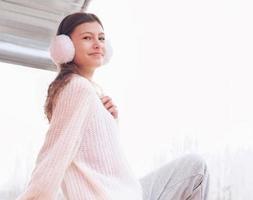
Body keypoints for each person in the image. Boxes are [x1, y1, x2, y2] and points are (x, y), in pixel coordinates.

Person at [16, 12, 209, 200]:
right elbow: (54, 156)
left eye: (101, 38)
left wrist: (110, 121)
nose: (97, 44)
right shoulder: (77, 88)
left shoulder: (88, 93)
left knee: (194, 167)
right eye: (87, 38)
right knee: (196, 169)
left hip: (127, 193)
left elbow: (100, 162)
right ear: (65, 47)